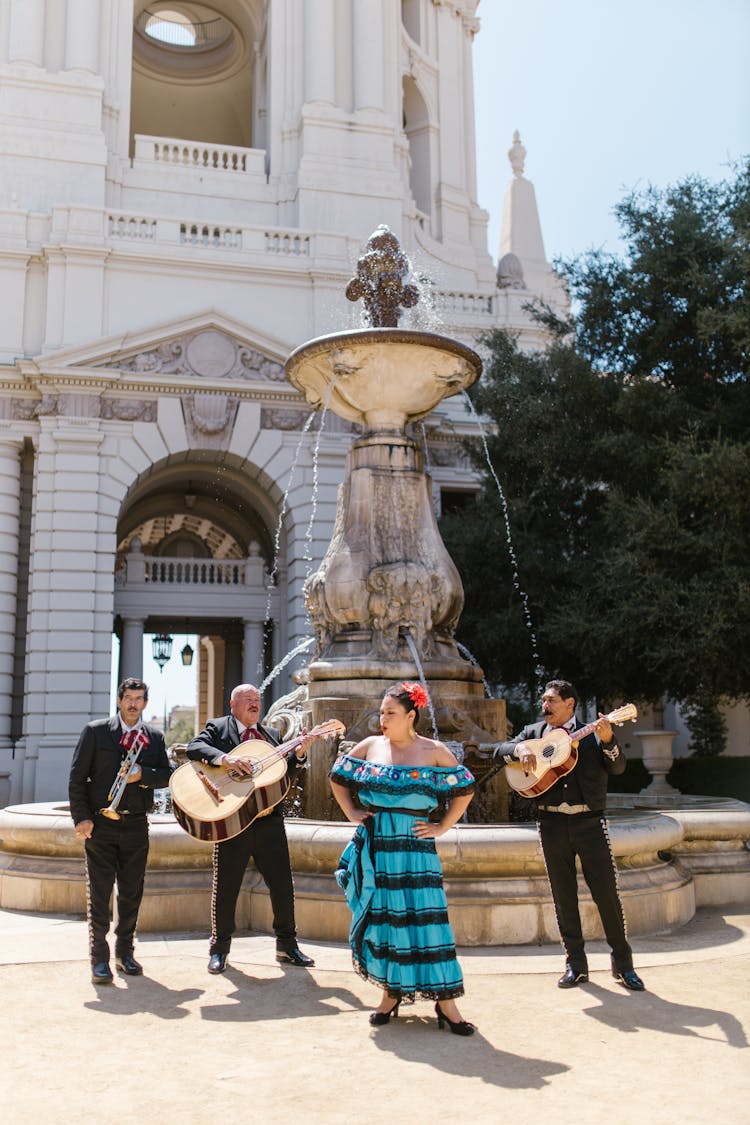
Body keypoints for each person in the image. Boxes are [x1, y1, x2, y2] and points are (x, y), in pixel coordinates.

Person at [329, 681, 477, 1034]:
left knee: (427, 920)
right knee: (387, 921)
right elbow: (337, 777)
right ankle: (390, 994)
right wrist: (351, 811)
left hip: (415, 849)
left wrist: (441, 827)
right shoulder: (370, 746)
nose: (383, 719)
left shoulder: (434, 751)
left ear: (411, 716)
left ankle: (446, 1003)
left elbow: (465, 788)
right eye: (381, 712)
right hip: (378, 846)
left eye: (391, 713)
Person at [494, 678, 645, 991]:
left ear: (570, 704)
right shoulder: (534, 733)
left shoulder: (592, 733)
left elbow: (617, 769)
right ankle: (575, 965)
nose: (544, 706)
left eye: (551, 701)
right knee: (564, 898)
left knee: (607, 895)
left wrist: (609, 742)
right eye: (544, 700)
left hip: (590, 824)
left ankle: (623, 964)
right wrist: (520, 748)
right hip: (550, 824)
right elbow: (499, 750)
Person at [186, 683, 315, 973]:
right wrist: (226, 758)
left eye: (257, 699)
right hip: (233, 823)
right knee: (226, 887)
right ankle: (219, 949)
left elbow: (284, 776)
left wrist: (301, 754)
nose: (254, 703)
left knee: (282, 886)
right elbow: (195, 748)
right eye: (247, 699)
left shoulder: (273, 736)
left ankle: (287, 946)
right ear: (233, 706)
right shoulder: (219, 728)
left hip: (268, 821)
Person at [69, 677, 171, 984]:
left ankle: (125, 953)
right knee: (99, 894)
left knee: (131, 893)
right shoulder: (96, 732)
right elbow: (77, 779)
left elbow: (166, 776)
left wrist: (142, 774)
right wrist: (81, 818)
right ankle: (99, 959)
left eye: (139, 699)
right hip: (101, 824)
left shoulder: (153, 737)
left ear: (145, 703)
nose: (133, 704)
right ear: (118, 700)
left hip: (136, 825)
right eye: (128, 698)